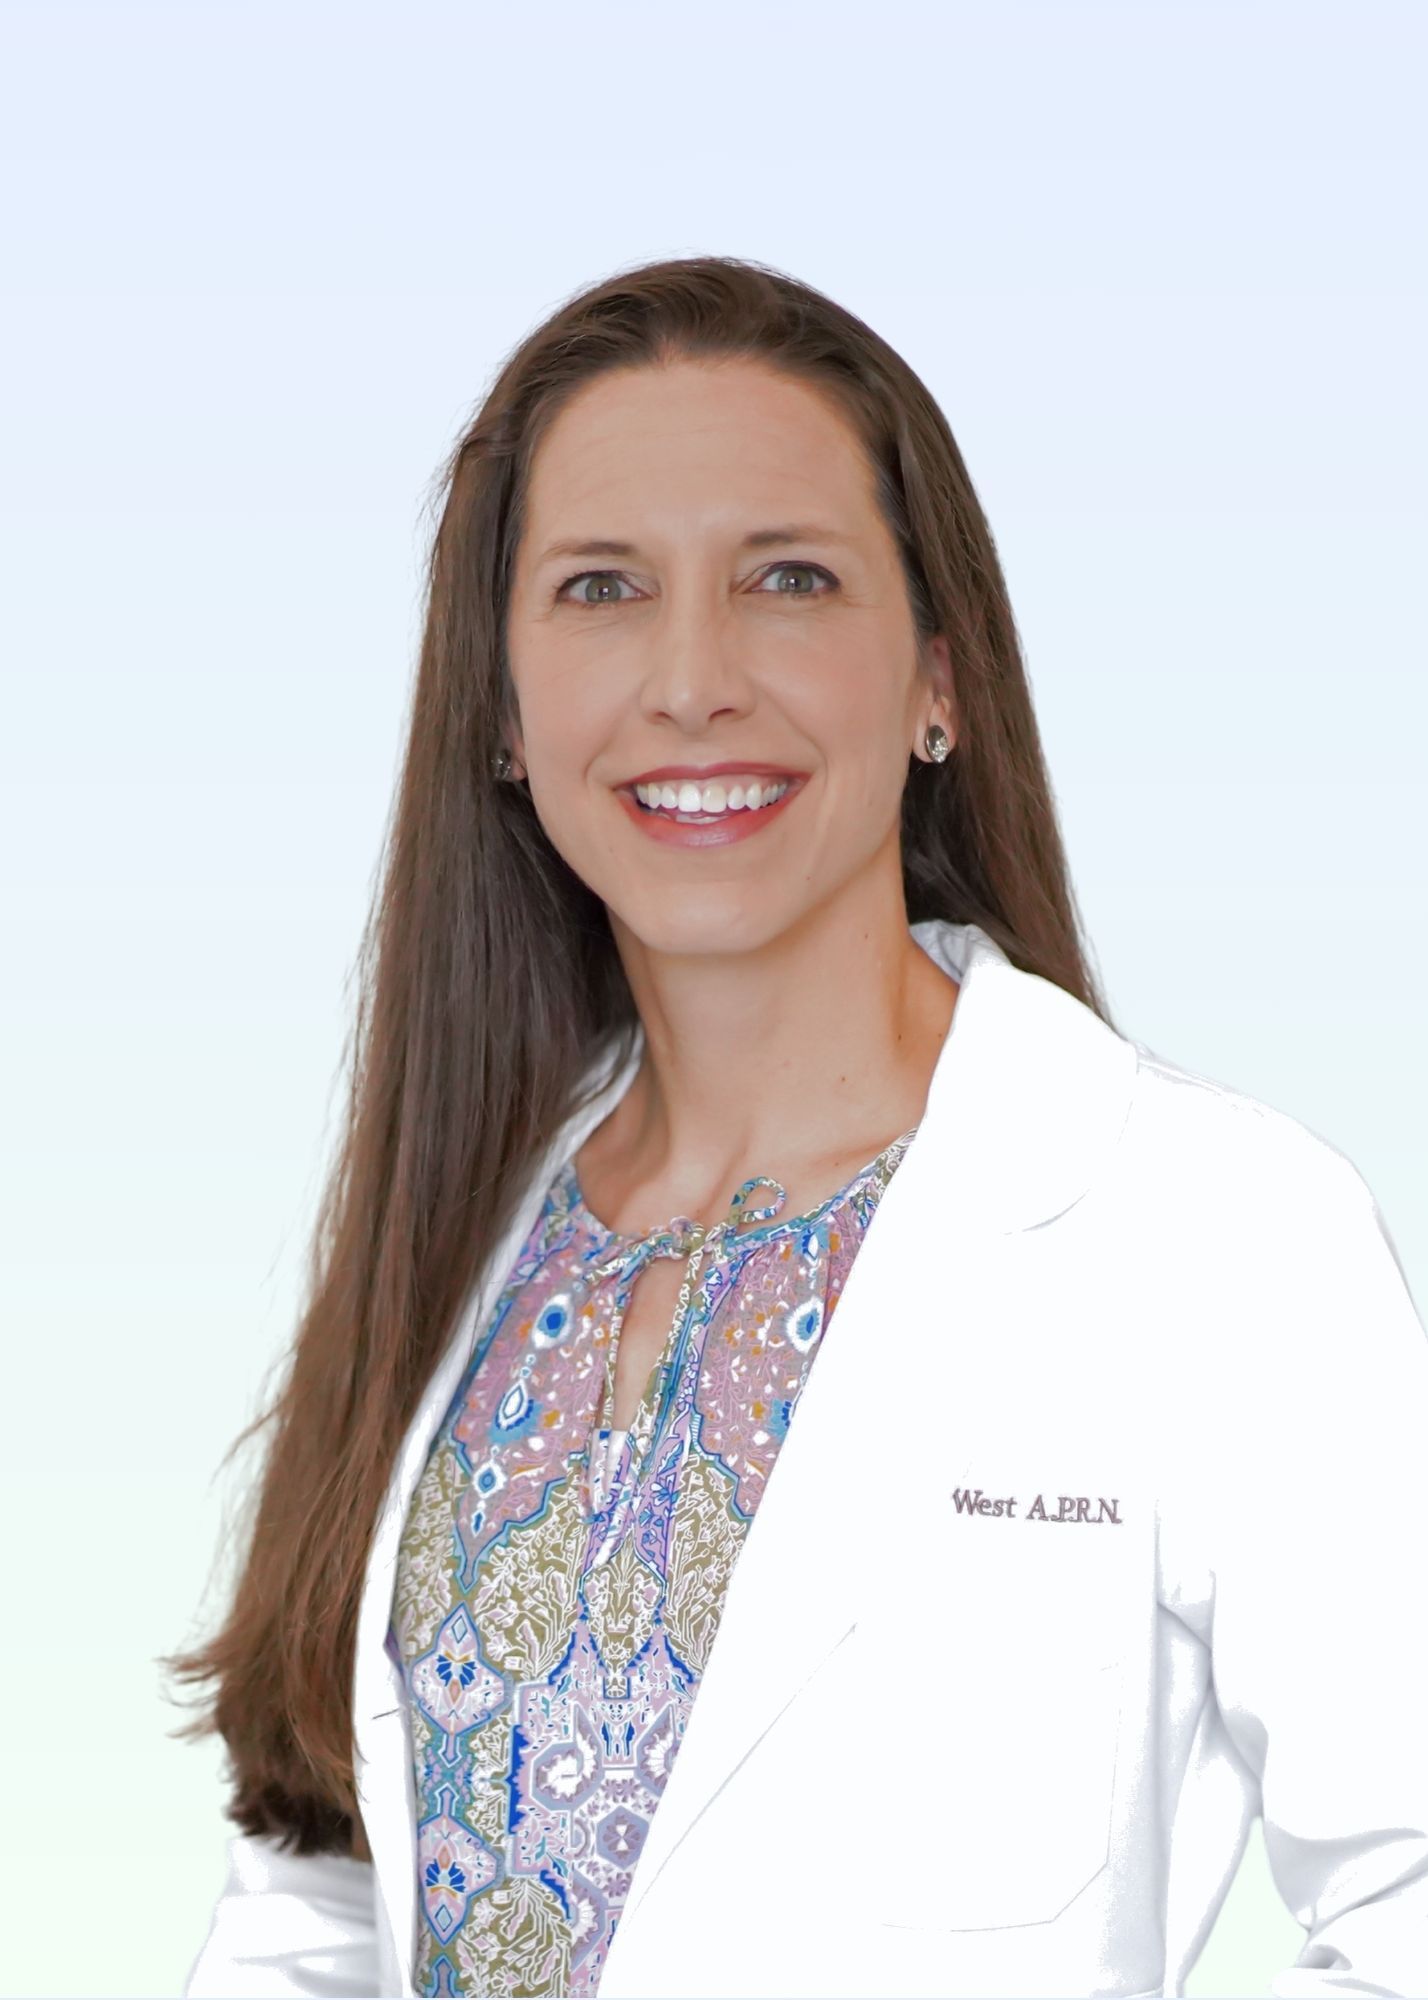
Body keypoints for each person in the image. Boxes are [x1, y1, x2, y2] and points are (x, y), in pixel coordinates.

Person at [170, 255, 1427, 2000]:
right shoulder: (445, 1224)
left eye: (789, 579)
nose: (691, 681)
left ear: (938, 682)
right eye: (603, 588)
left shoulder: (1223, 1234)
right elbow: (312, 1895)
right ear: (506, 717)